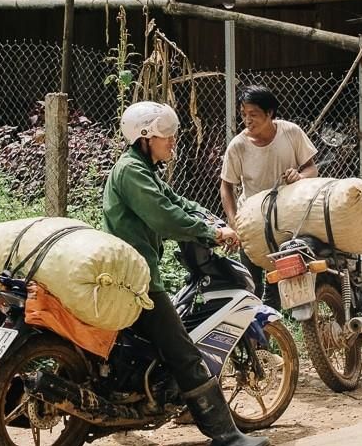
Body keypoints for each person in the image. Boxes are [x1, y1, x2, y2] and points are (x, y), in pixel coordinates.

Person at [102, 100, 267, 446]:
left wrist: (212, 220)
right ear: (145, 137)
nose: (172, 142)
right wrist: (210, 234)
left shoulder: (143, 170)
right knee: (184, 353)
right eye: (166, 137)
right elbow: (165, 217)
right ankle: (226, 436)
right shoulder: (132, 171)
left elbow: (178, 203)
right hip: (137, 281)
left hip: (130, 276)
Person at [219, 86, 318, 299]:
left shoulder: (291, 132)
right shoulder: (238, 146)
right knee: (252, 285)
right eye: (243, 115)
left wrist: (299, 177)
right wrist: (233, 220)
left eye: (253, 114)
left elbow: (311, 168)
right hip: (252, 221)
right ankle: (255, 330)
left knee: (279, 284)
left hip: (287, 219)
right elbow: (226, 185)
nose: (247, 120)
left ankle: (274, 328)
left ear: (270, 113)